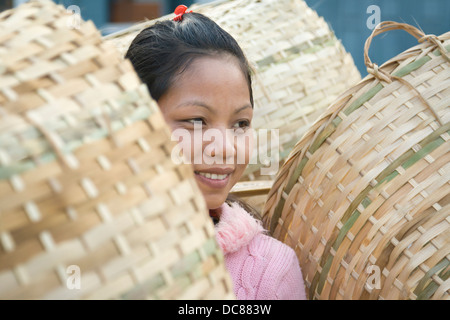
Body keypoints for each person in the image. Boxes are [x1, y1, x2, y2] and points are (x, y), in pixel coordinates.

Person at [125, 5, 306, 300]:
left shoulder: (270, 272)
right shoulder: (83, 254)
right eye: (197, 121)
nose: (224, 149)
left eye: (240, 124)